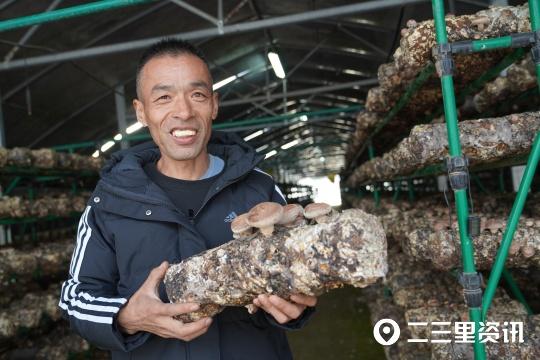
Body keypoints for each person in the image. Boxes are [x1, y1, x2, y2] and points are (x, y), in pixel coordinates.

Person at [58, 38, 316, 360]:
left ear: (214, 105)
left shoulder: (258, 189)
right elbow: (75, 297)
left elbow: (297, 275)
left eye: (197, 95)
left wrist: (296, 305)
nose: (183, 112)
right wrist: (126, 316)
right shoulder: (109, 202)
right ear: (141, 111)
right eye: (164, 97)